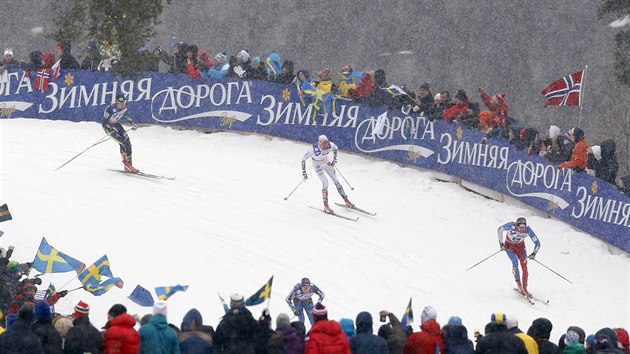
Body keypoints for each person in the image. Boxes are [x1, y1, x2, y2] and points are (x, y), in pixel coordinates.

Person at [301, 135, 355, 214]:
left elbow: (336, 149)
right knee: (325, 183)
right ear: (319, 143)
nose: (325, 145)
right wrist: (304, 172)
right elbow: (303, 159)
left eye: (326, 142)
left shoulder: (331, 145)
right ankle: (326, 206)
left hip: (326, 162)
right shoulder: (313, 149)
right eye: (323, 143)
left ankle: (346, 200)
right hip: (316, 164)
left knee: (336, 181)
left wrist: (334, 161)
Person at [497, 217, 540, 298]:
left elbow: (538, 243)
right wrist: (501, 244)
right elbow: (500, 230)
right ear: (517, 225)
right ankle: (519, 284)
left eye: (523, 228)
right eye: (520, 227)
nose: (522, 230)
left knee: (524, 267)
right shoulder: (511, 225)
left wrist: (534, 253)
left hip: (520, 248)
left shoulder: (528, 230)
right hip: (509, 247)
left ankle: (525, 287)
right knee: (515, 262)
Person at [102, 93, 139, 173]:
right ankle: (126, 164)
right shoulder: (110, 109)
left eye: (123, 103)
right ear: (116, 102)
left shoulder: (124, 107)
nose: (122, 105)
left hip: (116, 124)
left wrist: (131, 122)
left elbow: (125, 115)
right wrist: (109, 128)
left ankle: (130, 165)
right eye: (120, 103)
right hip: (108, 126)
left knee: (128, 143)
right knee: (122, 143)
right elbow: (104, 122)